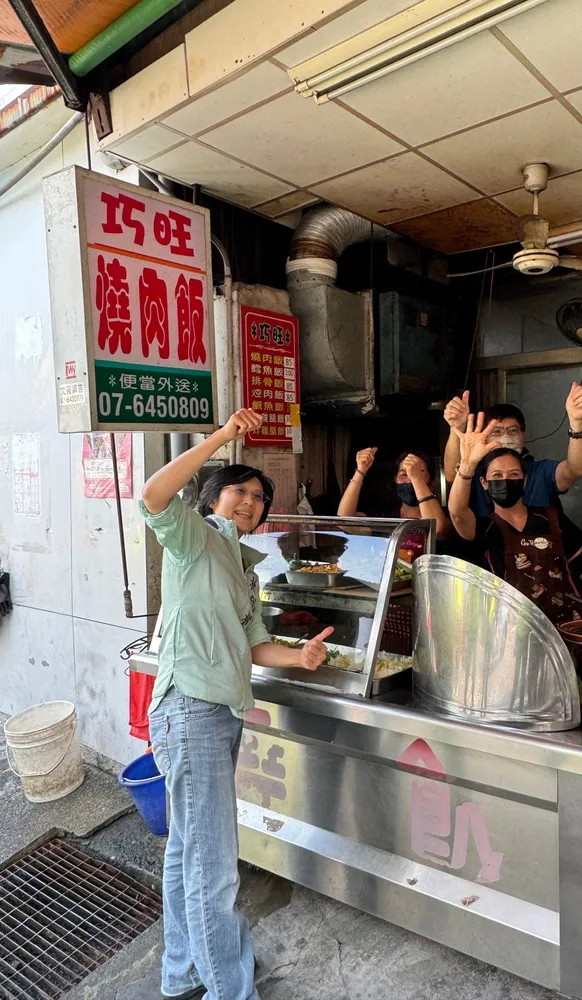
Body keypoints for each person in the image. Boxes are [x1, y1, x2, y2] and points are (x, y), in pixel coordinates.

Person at [141, 408, 332, 1000]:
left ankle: (181, 974)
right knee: (214, 870)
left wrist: (298, 658)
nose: (249, 502)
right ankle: (232, 990)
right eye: (238, 491)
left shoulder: (243, 567)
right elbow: (152, 495)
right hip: (191, 709)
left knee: (187, 855)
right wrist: (221, 438)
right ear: (212, 498)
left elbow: (257, 646)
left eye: (258, 496)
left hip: (215, 714)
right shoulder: (194, 537)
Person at [448, 413, 582, 624]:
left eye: (514, 474)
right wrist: (467, 465)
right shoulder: (483, 528)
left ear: (524, 481)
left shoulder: (551, 517)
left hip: (563, 630)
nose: (506, 480)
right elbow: (457, 512)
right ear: (484, 483)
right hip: (508, 635)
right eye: (497, 476)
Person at [443, 383, 582, 517]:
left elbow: (575, 469)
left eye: (513, 431)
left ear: (523, 434)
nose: (505, 437)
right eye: (496, 432)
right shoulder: (475, 473)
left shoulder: (541, 472)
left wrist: (576, 423)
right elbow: (451, 475)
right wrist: (456, 428)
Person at [338, 447, 452, 545]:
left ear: (431, 482)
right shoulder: (386, 517)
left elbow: (438, 530)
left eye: (418, 473)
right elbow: (345, 522)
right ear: (395, 479)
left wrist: (416, 479)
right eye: (403, 474)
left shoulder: (444, 515)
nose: (409, 479)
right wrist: (360, 471)